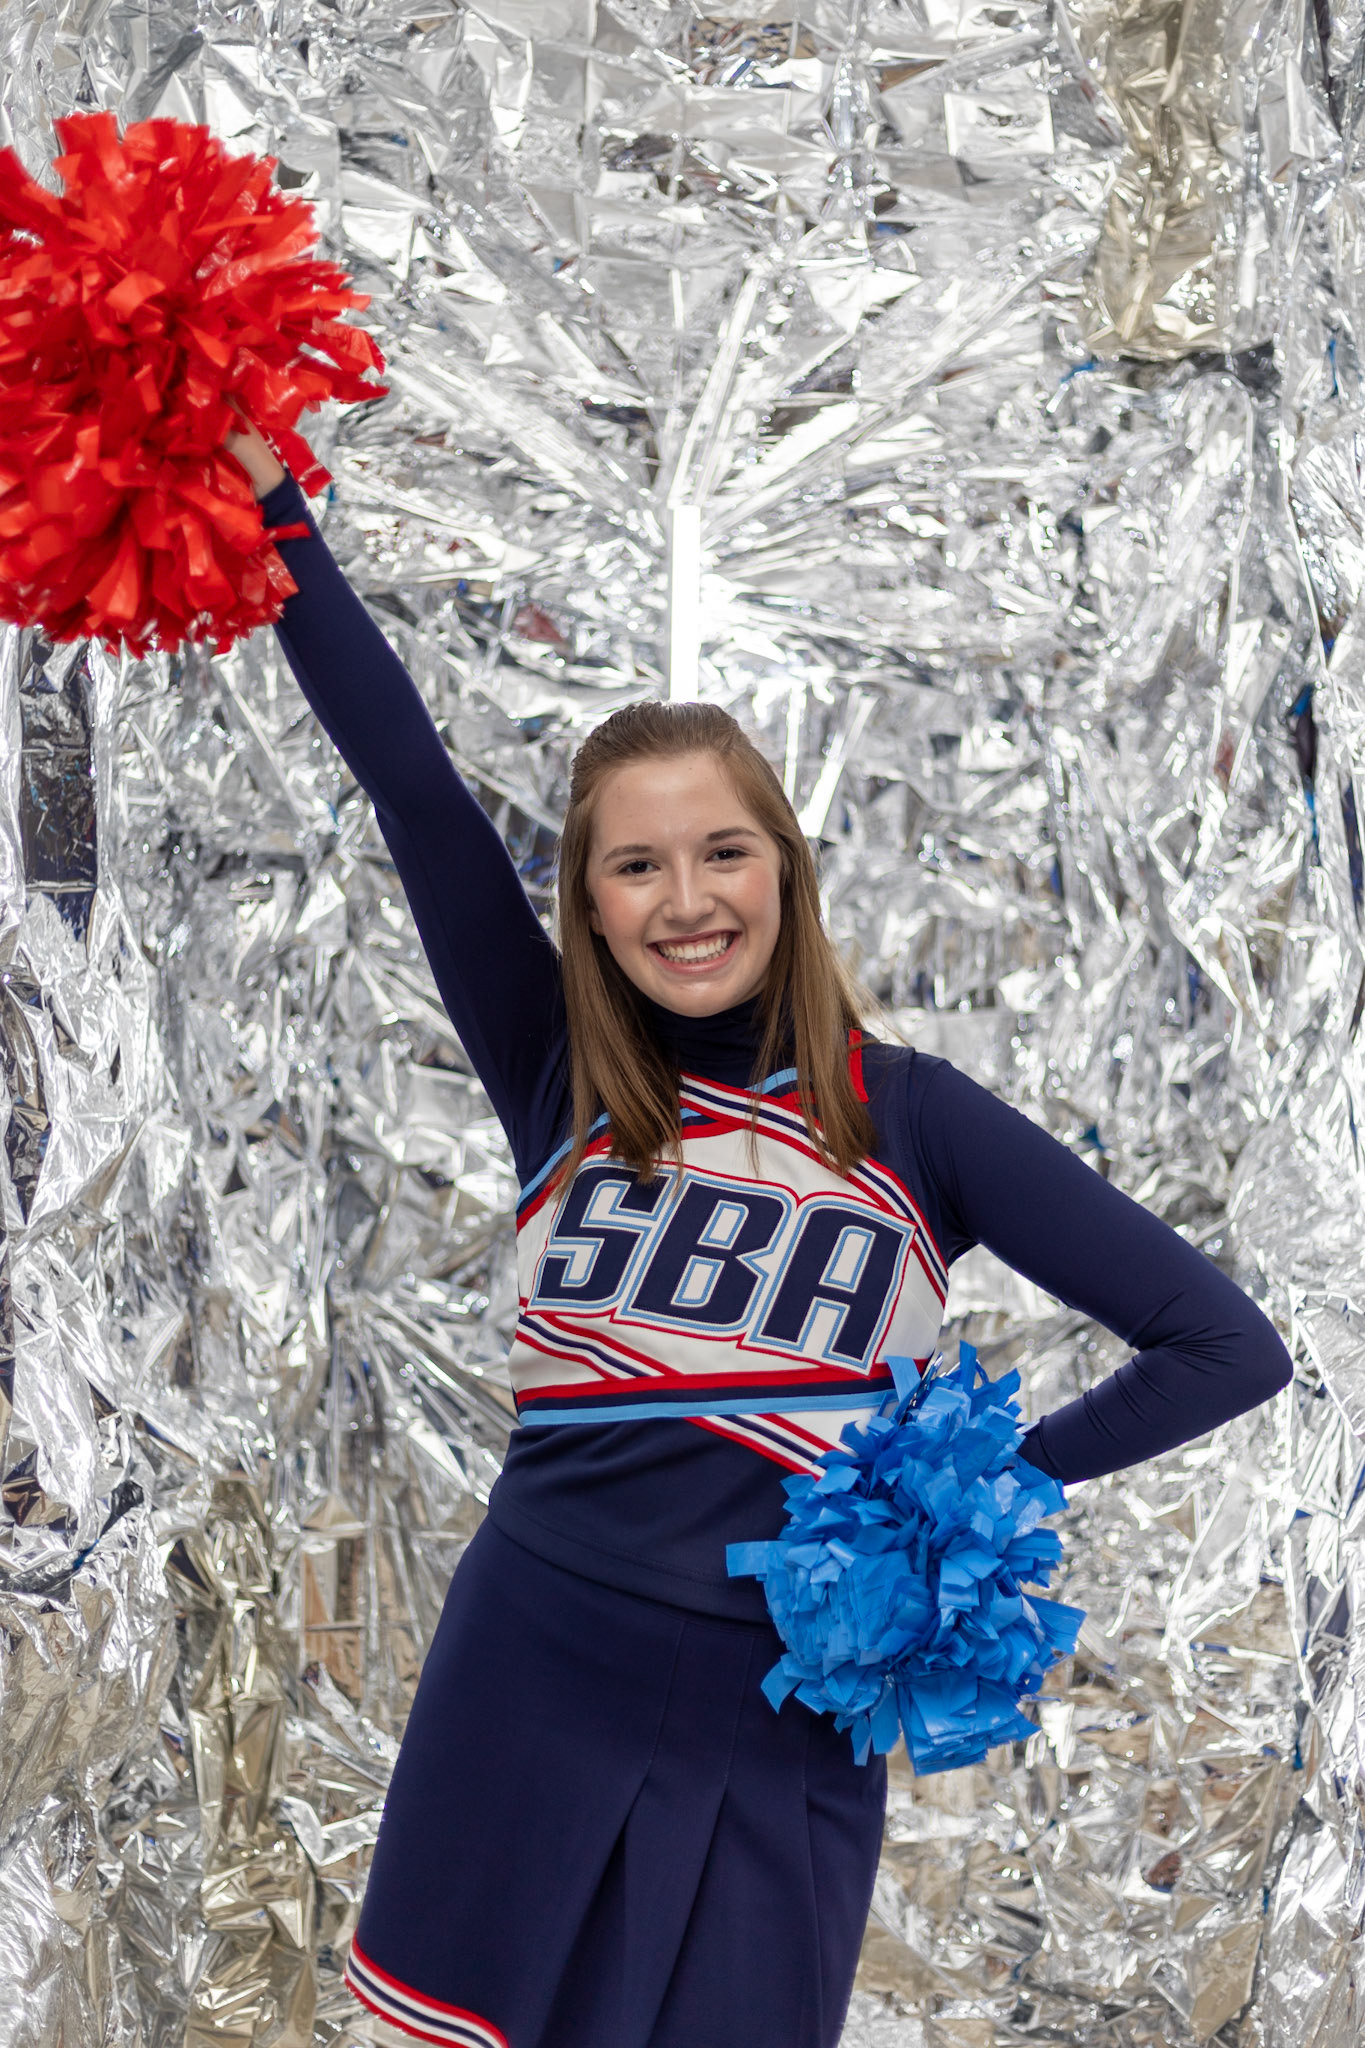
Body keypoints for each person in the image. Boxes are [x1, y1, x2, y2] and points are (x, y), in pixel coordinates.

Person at [225, 420, 1293, 2048]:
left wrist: (952, 1508)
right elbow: (414, 791)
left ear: (784, 869)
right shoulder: (558, 1071)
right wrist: (272, 510)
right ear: (589, 905)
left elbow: (1223, 1346)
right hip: (530, 1661)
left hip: (780, 1701)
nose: (685, 899)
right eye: (634, 866)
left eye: (722, 850)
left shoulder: (910, 1116)